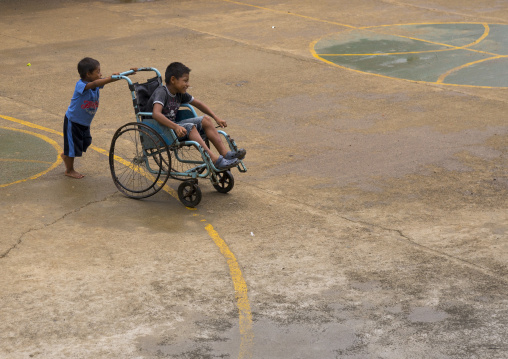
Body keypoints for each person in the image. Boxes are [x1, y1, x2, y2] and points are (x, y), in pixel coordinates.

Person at [148, 62, 246, 170]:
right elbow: (156, 114)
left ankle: (225, 154)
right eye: (185, 81)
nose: (188, 84)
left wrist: (215, 117)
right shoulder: (162, 92)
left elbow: (198, 104)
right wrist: (175, 127)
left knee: (206, 120)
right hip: (160, 130)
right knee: (191, 127)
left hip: (174, 128)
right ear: (173, 80)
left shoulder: (179, 93)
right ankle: (213, 159)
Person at [62, 57, 137, 178]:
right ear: (88, 74)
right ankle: (69, 170)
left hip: (84, 123)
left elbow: (103, 81)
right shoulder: (81, 85)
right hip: (73, 121)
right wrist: (110, 78)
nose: (101, 74)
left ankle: (67, 155)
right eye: (98, 72)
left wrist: (125, 74)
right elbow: (97, 82)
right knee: (73, 148)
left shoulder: (96, 84)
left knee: (86, 142)